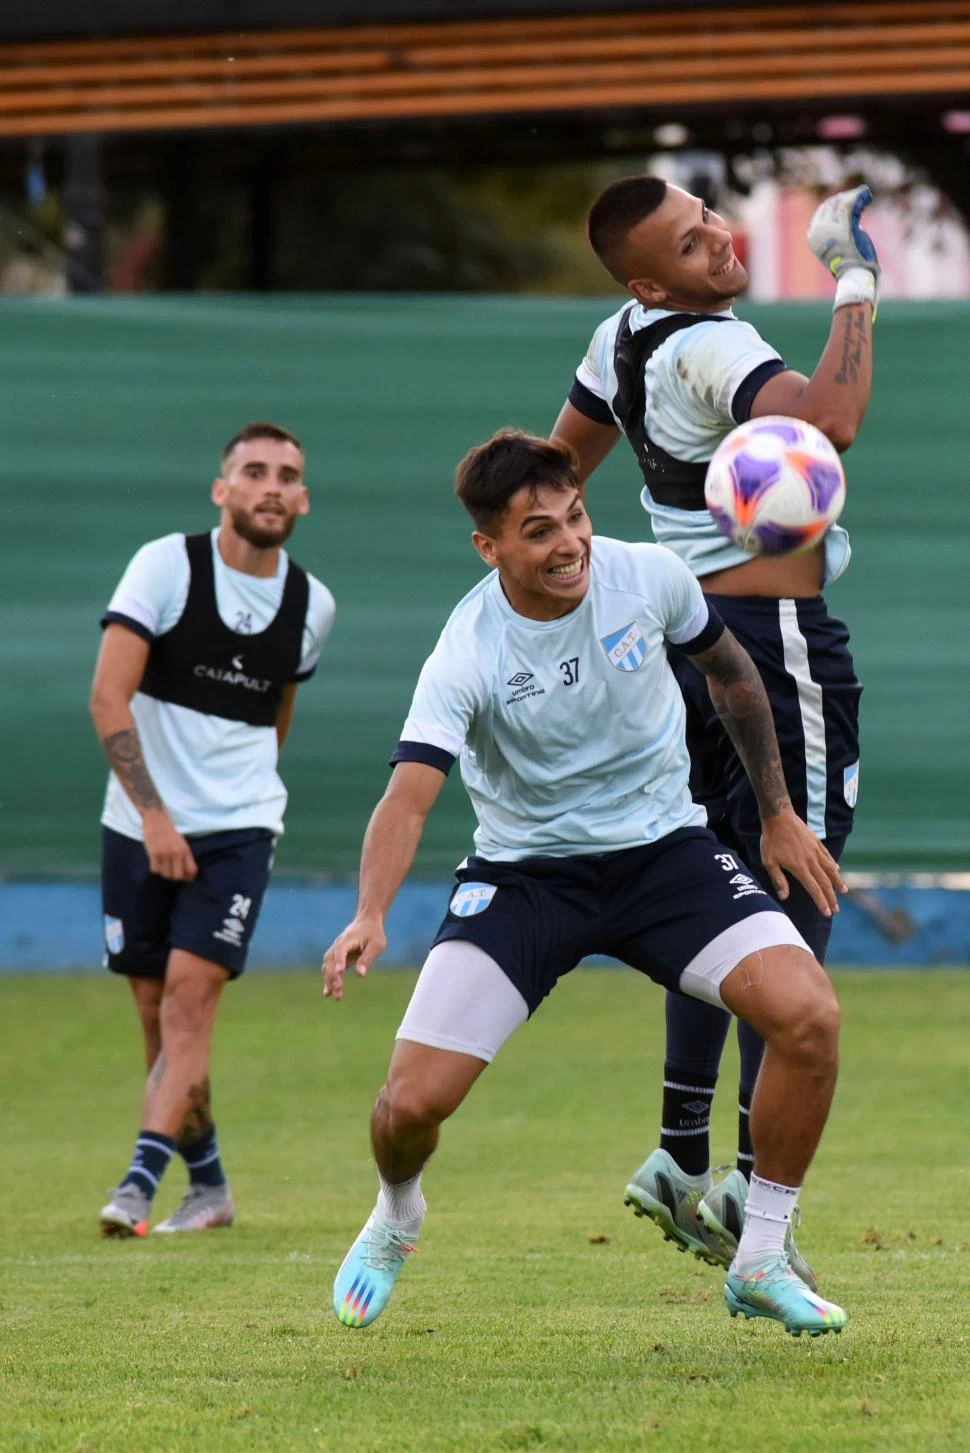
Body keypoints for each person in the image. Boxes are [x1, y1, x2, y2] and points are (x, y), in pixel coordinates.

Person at [324, 428, 849, 1337]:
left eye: (574, 516)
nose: (569, 543)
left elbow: (733, 676)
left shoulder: (648, 576)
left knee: (810, 1015)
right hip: (527, 877)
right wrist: (371, 912)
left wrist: (775, 812)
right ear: (489, 547)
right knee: (408, 1105)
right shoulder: (467, 650)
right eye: (537, 531)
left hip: (664, 855)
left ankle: (761, 1253)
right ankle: (397, 1212)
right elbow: (408, 797)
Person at [550, 176, 878, 1277]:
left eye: (711, 222)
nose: (720, 245)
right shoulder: (706, 348)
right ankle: (749, 1188)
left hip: (685, 647)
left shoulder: (621, 334)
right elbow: (828, 425)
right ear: (652, 280)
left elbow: (562, 469)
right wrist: (853, 278)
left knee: (719, 892)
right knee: (793, 892)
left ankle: (678, 1152)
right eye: (691, 245)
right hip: (773, 647)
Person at [91, 421, 335, 1237]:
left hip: (238, 832)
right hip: (137, 825)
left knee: (190, 1007)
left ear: (302, 498)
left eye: (287, 475)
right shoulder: (165, 565)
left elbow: (277, 722)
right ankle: (212, 1186)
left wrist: (235, 804)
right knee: (155, 1012)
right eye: (254, 471)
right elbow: (106, 698)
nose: (272, 486)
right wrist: (157, 817)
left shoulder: (312, 605)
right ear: (221, 489)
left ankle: (136, 1184)